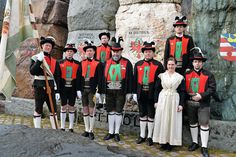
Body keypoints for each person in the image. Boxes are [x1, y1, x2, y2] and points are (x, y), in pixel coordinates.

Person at [185, 47, 216, 157]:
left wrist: (200, 95)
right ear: (192, 63)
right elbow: (183, 89)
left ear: (202, 63)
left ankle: (204, 146)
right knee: (192, 123)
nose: (197, 64)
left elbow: (212, 89)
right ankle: (194, 143)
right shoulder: (187, 74)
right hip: (190, 104)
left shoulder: (209, 75)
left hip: (203, 104)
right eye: (195, 61)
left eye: (199, 62)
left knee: (204, 124)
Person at [133, 41, 164, 146]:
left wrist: (158, 97)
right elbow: (135, 79)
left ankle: (150, 136)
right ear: (143, 53)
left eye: (150, 52)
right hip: (141, 93)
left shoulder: (158, 65)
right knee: (142, 114)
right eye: (146, 52)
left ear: (153, 53)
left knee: (151, 115)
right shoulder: (138, 64)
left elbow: (160, 83)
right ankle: (142, 135)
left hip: (152, 94)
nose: (148, 53)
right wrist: (134, 93)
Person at [103, 37, 133, 142]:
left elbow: (130, 79)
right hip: (109, 91)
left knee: (119, 111)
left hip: (121, 92)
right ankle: (110, 132)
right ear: (111, 52)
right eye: (113, 52)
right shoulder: (106, 62)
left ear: (120, 51)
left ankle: (116, 132)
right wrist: (101, 92)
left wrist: (129, 92)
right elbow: (103, 78)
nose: (115, 54)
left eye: (117, 52)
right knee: (110, 111)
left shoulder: (127, 63)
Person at [152, 57, 186, 151]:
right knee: (162, 119)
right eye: (169, 64)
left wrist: (181, 104)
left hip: (174, 100)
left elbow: (183, 91)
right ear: (166, 65)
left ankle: (171, 143)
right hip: (163, 98)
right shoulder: (161, 76)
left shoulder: (180, 77)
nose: (170, 66)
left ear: (175, 65)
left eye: (172, 64)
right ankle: (162, 141)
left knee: (172, 121)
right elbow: (156, 89)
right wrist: (156, 101)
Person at [30, 36, 58, 129]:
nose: (48, 47)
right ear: (42, 46)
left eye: (49, 46)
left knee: (53, 109)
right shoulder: (35, 57)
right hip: (39, 86)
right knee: (38, 108)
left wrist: (57, 90)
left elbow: (57, 76)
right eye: (46, 45)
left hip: (50, 86)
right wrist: (39, 61)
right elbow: (32, 71)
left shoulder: (54, 61)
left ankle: (55, 129)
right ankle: (37, 129)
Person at [55, 43, 82, 132]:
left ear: (73, 53)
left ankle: (71, 127)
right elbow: (57, 77)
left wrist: (78, 89)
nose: (69, 53)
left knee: (71, 106)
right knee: (63, 107)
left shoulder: (78, 64)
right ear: (65, 53)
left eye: (71, 51)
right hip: (63, 89)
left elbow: (79, 78)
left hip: (73, 89)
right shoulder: (59, 63)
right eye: (68, 51)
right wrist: (57, 91)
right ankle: (62, 126)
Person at [81, 41, 103, 140]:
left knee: (91, 109)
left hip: (92, 90)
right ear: (85, 52)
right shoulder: (82, 63)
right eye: (88, 51)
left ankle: (91, 130)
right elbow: (78, 77)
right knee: (85, 109)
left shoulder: (98, 63)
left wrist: (99, 91)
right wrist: (78, 89)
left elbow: (101, 78)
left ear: (94, 52)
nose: (89, 52)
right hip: (83, 90)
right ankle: (86, 129)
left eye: (91, 50)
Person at [96, 32, 112, 109]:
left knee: (106, 85)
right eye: (102, 38)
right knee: (99, 85)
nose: (104, 39)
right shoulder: (97, 48)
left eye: (105, 38)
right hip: (99, 68)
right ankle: (100, 101)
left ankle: (105, 102)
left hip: (107, 68)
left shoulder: (111, 48)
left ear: (108, 39)